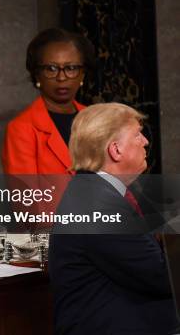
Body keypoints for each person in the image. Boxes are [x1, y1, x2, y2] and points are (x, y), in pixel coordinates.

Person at [48, 103, 177, 334]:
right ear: (115, 150)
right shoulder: (97, 204)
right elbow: (164, 278)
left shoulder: (94, 192)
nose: (145, 141)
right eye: (137, 134)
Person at [2, 28, 95, 175]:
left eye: (71, 68)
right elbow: (25, 197)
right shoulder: (21, 129)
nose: (61, 78)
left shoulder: (95, 119)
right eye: (51, 69)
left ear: (82, 74)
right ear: (37, 75)